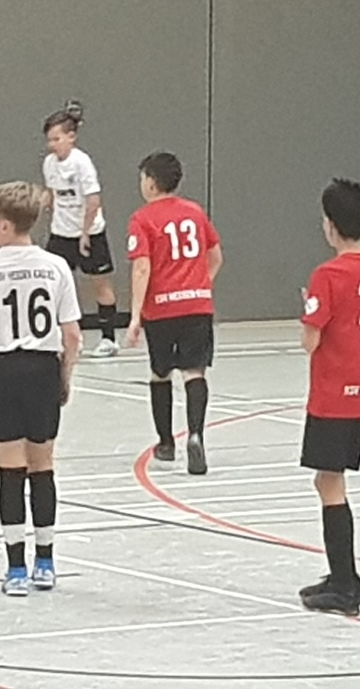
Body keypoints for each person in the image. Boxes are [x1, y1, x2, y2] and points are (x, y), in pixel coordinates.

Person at [0, 181, 81, 596]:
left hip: (1, 370)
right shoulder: (56, 266)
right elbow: (72, 335)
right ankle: (47, 562)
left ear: (5, 225)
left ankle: (15, 569)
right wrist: (64, 376)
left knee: (9, 470)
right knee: (43, 466)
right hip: (43, 368)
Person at [297, 179, 360, 617]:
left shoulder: (328, 275)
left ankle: (346, 584)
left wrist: (309, 309)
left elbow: (310, 340)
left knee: (329, 483)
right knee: (328, 480)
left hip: (332, 395)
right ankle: (342, 573)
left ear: (330, 225)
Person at [126, 152, 222, 476]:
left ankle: (166, 443)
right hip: (197, 306)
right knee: (195, 372)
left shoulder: (142, 219)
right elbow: (215, 256)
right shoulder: (194, 212)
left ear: (151, 183)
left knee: (161, 373)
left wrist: (135, 316)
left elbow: (142, 267)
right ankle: (195, 435)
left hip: (161, 309)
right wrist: (200, 285)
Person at [40, 107, 119, 357]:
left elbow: (93, 200)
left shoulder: (82, 163)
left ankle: (108, 339)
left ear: (71, 137)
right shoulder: (49, 164)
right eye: (49, 140)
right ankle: (62, 337)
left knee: (99, 283)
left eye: (57, 139)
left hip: (90, 232)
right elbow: (51, 192)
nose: (52, 145)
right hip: (61, 233)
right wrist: (39, 205)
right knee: (53, 283)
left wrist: (85, 233)